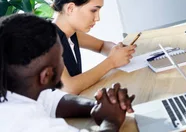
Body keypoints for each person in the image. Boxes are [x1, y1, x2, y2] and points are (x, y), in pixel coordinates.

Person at [0, 13, 136, 132]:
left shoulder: (15, 91)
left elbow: (51, 100)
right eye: (61, 56)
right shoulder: (29, 124)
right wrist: (111, 122)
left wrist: (100, 106)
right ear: (46, 75)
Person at [48, 0, 136, 94]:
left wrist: (117, 50)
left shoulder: (71, 34)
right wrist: (112, 62)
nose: (97, 18)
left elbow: (102, 46)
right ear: (70, 8)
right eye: (93, 10)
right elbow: (69, 87)